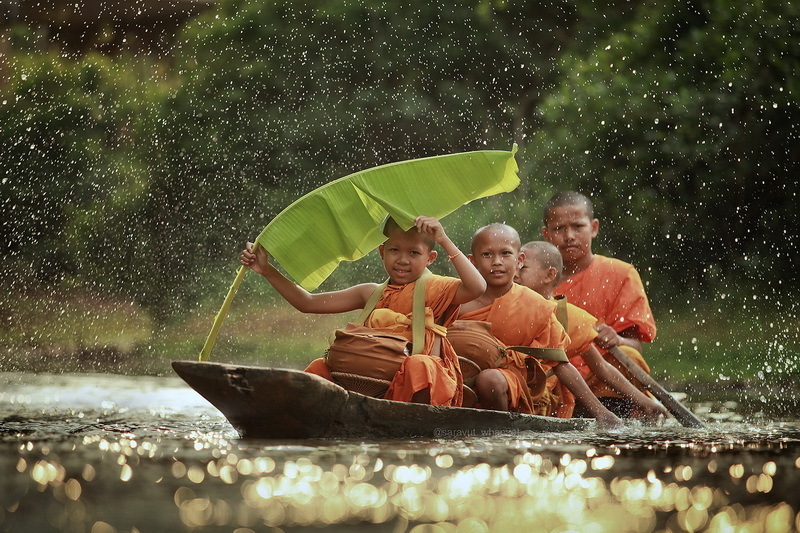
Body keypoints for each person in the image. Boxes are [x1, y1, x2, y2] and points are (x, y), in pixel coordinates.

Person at [239, 215, 486, 407]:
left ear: (430, 258)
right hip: (369, 378)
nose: (402, 260)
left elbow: (477, 287)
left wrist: (443, 238)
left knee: (419, 365)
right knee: (318, 368)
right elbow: (308, 303)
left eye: (413, 253)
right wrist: (267, 271)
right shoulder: (369, 293)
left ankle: (411, 418)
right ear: (382, 252)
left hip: (419, 384)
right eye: (394, 250)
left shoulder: (436, 287)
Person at [456, 223, 622, 428]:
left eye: (505, 254)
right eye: (487, 255)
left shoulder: (535, 305)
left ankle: (501, 430)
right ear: (472, 261)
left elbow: (560, 362)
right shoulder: (458, 300)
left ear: (519, 261)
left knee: (490, 379)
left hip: (508, 387)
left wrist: (600, 412)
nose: (497, 262)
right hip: (459, 378)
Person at [517, 240, 668, 422]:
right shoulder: (505, 304)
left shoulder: (567, 315)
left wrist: (645, 402)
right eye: (515, 265)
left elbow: (600, 367)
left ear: (549, 275)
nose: (514, 272)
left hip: (548, 400)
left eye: (522, 267)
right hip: (513, 389)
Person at [541, 191, 658, 416]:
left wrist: (617, 338)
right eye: (559, 229)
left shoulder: (620, 273)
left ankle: (629, 412)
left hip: (603, 380)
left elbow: (633, 346)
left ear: (594, 228)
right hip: (555, 379)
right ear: (546, 234)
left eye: (578, 226)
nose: (569, 236)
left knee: (628, 355)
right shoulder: (535, 277)